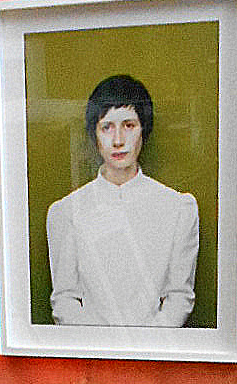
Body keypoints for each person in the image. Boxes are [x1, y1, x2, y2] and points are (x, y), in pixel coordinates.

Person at [46, 75, 199, 326]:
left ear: (143, 129)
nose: (118, 140)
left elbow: (180, 297)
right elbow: (65, 299)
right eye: (107, 127)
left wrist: (146, 343)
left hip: (155, 347)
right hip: (90, 348)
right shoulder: (66, 212)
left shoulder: (177, 208)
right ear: (95, 135)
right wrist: (98, 343)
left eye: (128, 125)